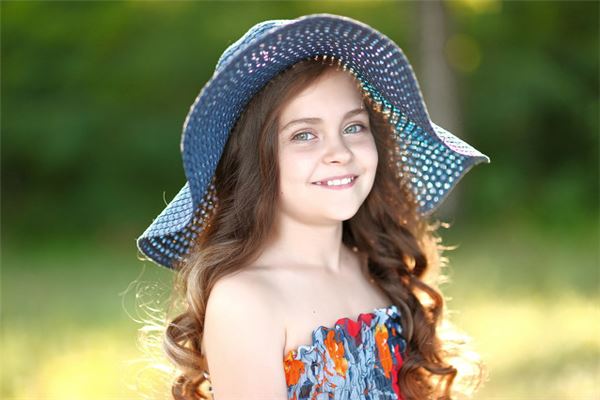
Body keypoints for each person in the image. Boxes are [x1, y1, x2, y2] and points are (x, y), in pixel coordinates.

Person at [136, 14, 490, 400]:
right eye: (304, 135)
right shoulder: (246, 300)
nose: (339, 152)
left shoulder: (378, 268)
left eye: (353, 127)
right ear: (255, 160)